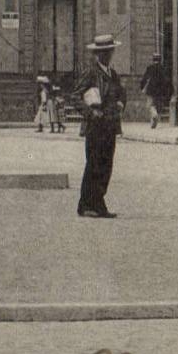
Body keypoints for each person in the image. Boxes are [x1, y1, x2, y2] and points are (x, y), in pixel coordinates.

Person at [72, 32, 126, 218]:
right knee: (94, 165)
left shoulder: (113, 74)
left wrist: (121, 103)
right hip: (95, 127)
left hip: (110, 126)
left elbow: (121, 93)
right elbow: (75, 96)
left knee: (106, 166)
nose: (107, 55)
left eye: (109, 51)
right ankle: (87, 205)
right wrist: (90, 112)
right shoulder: (91, 73)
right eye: (103, 52)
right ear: (97, 54)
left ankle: (97, 203)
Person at [139, 56, 174, 128]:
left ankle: (154, 116)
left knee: (150, 105)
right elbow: (167, 79)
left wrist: (142, 87)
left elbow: (144, 78)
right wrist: (170, 90)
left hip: (151, 90)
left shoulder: (150, 68)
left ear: (153, 60)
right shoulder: (163, 68)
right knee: (157, 106)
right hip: (160, 90)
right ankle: (153, 124)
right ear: (160, 60)